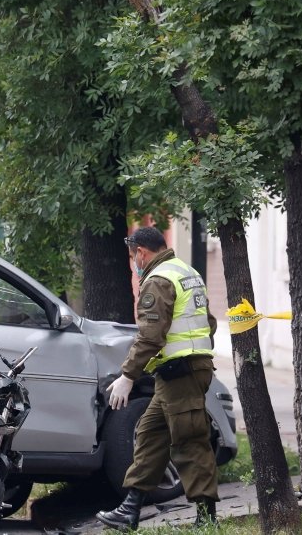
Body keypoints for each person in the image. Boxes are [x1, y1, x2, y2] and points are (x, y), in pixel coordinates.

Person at [96, 226, 220, 530]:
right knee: (151, 436)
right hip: (180, 372)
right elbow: (210, 323)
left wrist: (128, 375)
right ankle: (129, 510)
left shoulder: (159, 279)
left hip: (182, 373)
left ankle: (208, 520)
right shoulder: (187, 273)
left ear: (141, 252)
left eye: (132, 256)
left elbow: (150, 336)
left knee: (190, 441)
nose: (134, 262)